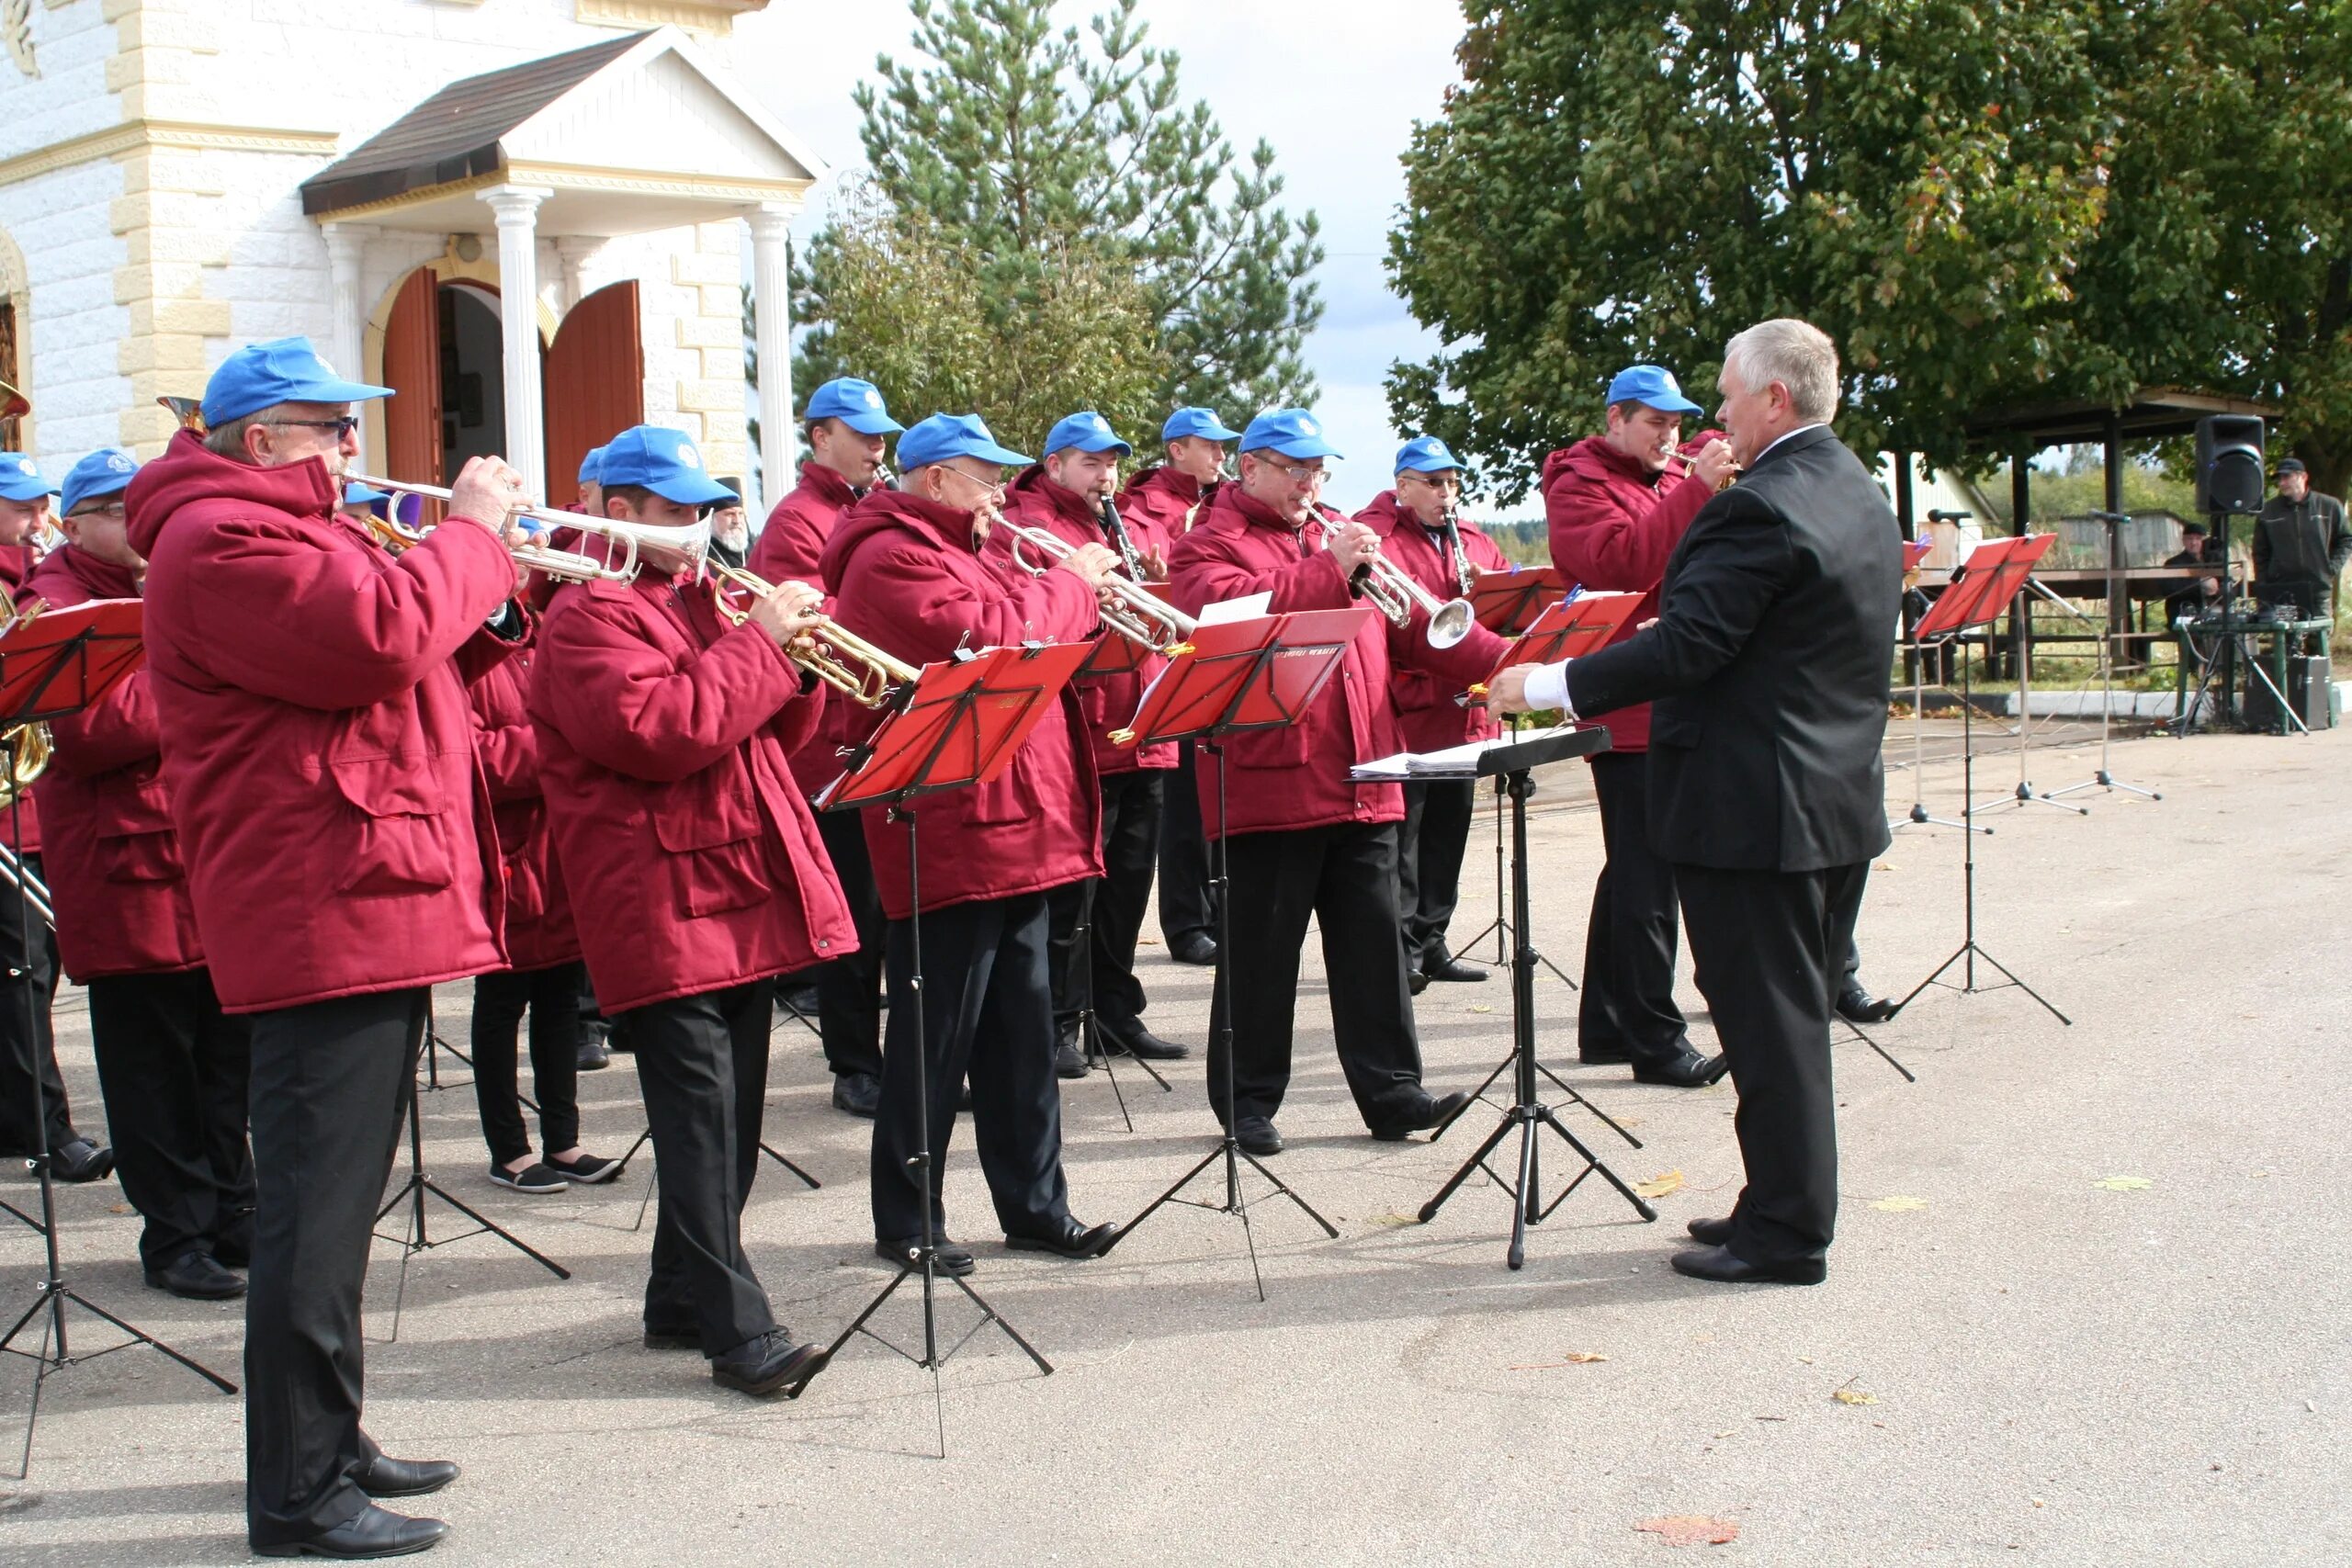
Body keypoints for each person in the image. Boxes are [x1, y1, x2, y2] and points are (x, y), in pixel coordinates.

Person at [129, 335, 530, 1559]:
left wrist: (482, 582)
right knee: (313, 1209)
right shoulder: (222, 540)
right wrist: (470, 533)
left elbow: (413, 659)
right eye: (332, 426)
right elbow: (374, 639)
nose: (355, 447)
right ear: (262, 439)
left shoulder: (295, 527)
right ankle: (298, 1489)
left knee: (339, 1207)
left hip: (366, 885)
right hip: (322, 899)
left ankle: (329, 1434)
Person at [1490, 318, 1903, 1286]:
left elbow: (1688, 645)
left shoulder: (1757, 506)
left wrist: (1550, 684)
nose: (1715, 414)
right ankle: (1773, 1201)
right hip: (1831, 798)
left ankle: (1789, 1233)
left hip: (1757, 806)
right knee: (1780, 1017)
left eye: (1725, 394)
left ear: (1775, 400)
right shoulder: (1853, 487)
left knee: (1769, 1025)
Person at [531, 423, 849, 1397]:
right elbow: (664, 731)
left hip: (732, 882)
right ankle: (737, 1332)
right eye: (676, 512)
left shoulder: (695, 596)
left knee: (733, 1115)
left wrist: (793, 658)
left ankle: (677, 1292)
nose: (699, 527)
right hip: (658, 893)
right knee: (701, 1127)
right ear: (616, 511)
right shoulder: (585, 616)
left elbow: (763, 729)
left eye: (703, 509)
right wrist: (762, 644)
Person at [823, 412, 1119, 1273]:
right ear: (937, 476)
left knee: (1022, 1032)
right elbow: (991, 634)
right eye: (985, 474)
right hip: (948, 822)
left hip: (1022, 815)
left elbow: (1046, 642)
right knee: (934, 1036)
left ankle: (1035, 1205)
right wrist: (1072, 583)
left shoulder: (978, 542)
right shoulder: (886, 553)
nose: (1000, 490)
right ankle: (908, 1217)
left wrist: (1079, 599)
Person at [1165, 409, 1499, 1156]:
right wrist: (1329, 569)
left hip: (1366, 774)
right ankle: (1247, 1103)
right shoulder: (1205, 545)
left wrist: (1509, 662)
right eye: (1295, 468)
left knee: (1374, 949)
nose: (1311, 483)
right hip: (1272, 786)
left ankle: (1393, 1091)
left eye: (1319, 469)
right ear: (1249, 469)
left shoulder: (1337, 534)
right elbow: (1224, 618)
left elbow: (1417, 628)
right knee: (1262, 955)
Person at [33, 448, 249, 1299]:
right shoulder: (53, 602)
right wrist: (204, 666)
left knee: (226, 1055)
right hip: (124, 866)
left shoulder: (176, 576)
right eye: (115, 510)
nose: (136, 523)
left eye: (141, 506)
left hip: (205, 852)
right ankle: (176, 1236)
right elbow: (90, 729)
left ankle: (234, 1209)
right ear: (75, 522)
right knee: (152, 1063)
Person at [1541, 366, 1734, 1088]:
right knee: (1651, 875)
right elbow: (1615, 562)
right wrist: (1694, 489)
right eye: (1656, 422)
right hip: (1626, 698)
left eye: (1679, 423)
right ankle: (1655, 1039)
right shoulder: (1578, 480)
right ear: (1616, 418)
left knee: (1633, 869)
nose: (1671, 436)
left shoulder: (1666, 474)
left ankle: (1607, 1023)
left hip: (1672, 692)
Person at [993, 411, 1189, 1077]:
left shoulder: (1125, 524)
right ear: (1053, 467)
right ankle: (1054, 1021)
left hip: (1145, 726)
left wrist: (1157, 568)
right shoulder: (1033, 527)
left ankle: (1113, 1009)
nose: (1105, 474)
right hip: (1085, 732)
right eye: (1089, 462)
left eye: (1111, 463)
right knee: (1070, 895)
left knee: (1129, 886)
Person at [746, 376, 905, 1119]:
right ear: (820, 438)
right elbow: (818, 626)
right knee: (857, 917)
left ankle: (899, 1060)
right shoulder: (797, 521)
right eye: (863, 434)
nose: (878, 446)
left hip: (885, 734)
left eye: (881, 435)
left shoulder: (873, 508)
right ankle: (853, 1063)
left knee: (895, 910)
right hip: (832, 744)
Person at [464, 561, 617, 1194]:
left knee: (560, 997)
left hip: (562, 843)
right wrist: (554, 739)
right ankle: (508, 1148)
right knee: (502, 1002)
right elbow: (474, 758)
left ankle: (563, 1139)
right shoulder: (457, 650)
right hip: (507, 846)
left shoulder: (542, 634)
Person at [1352, 435, 1511, 991]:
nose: (1446, 493)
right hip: (1414, 711)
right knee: (1407, 839)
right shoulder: (1382, 539)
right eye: (1433, 483)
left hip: (1467, 708)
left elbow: (1501, 605)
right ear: (1403, 487)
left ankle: (1433, 938)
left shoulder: (1474, 541)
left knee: (1450, 831)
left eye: (1451, 483)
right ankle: (1399, 949)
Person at [0, 451, 110, 1182]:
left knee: (35, 969)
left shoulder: (24, 586)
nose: (37, 520)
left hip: (32, 804)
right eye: (22, 507)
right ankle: (44, 1129)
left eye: (43, 506)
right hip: (8, 813)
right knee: (22, 973)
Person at [1123, 408, 1239, 968]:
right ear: (1176, 450)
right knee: (1186, 807)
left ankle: (1221, 912)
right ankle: (1187, 922)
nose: (1221, 455)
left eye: (1224, 446)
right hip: (1171, 661)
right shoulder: (1142, 508)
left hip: (1225, 656)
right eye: (1210, 446)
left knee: (1223, 796)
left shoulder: (1232, 502)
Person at [2252, 457, 2349, 623]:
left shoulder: (2329, 506)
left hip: (2318, 589)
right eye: (2279, 479)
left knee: (2319, 638)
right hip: (2284, 591)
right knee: (2289, 641)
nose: (2282, 483)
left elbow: (2346, 539)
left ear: (2303, 477)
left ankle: (2314, 648)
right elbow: (2260, 552)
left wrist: (2330, 568)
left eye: (2286, 477)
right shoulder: (2269, 511)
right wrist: (2266, 583)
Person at [707, 478, 751, 569]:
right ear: (712, 519)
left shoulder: (754, 552)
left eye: (741, 514)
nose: (737, 520)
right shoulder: (704, 558)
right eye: (730, 514)